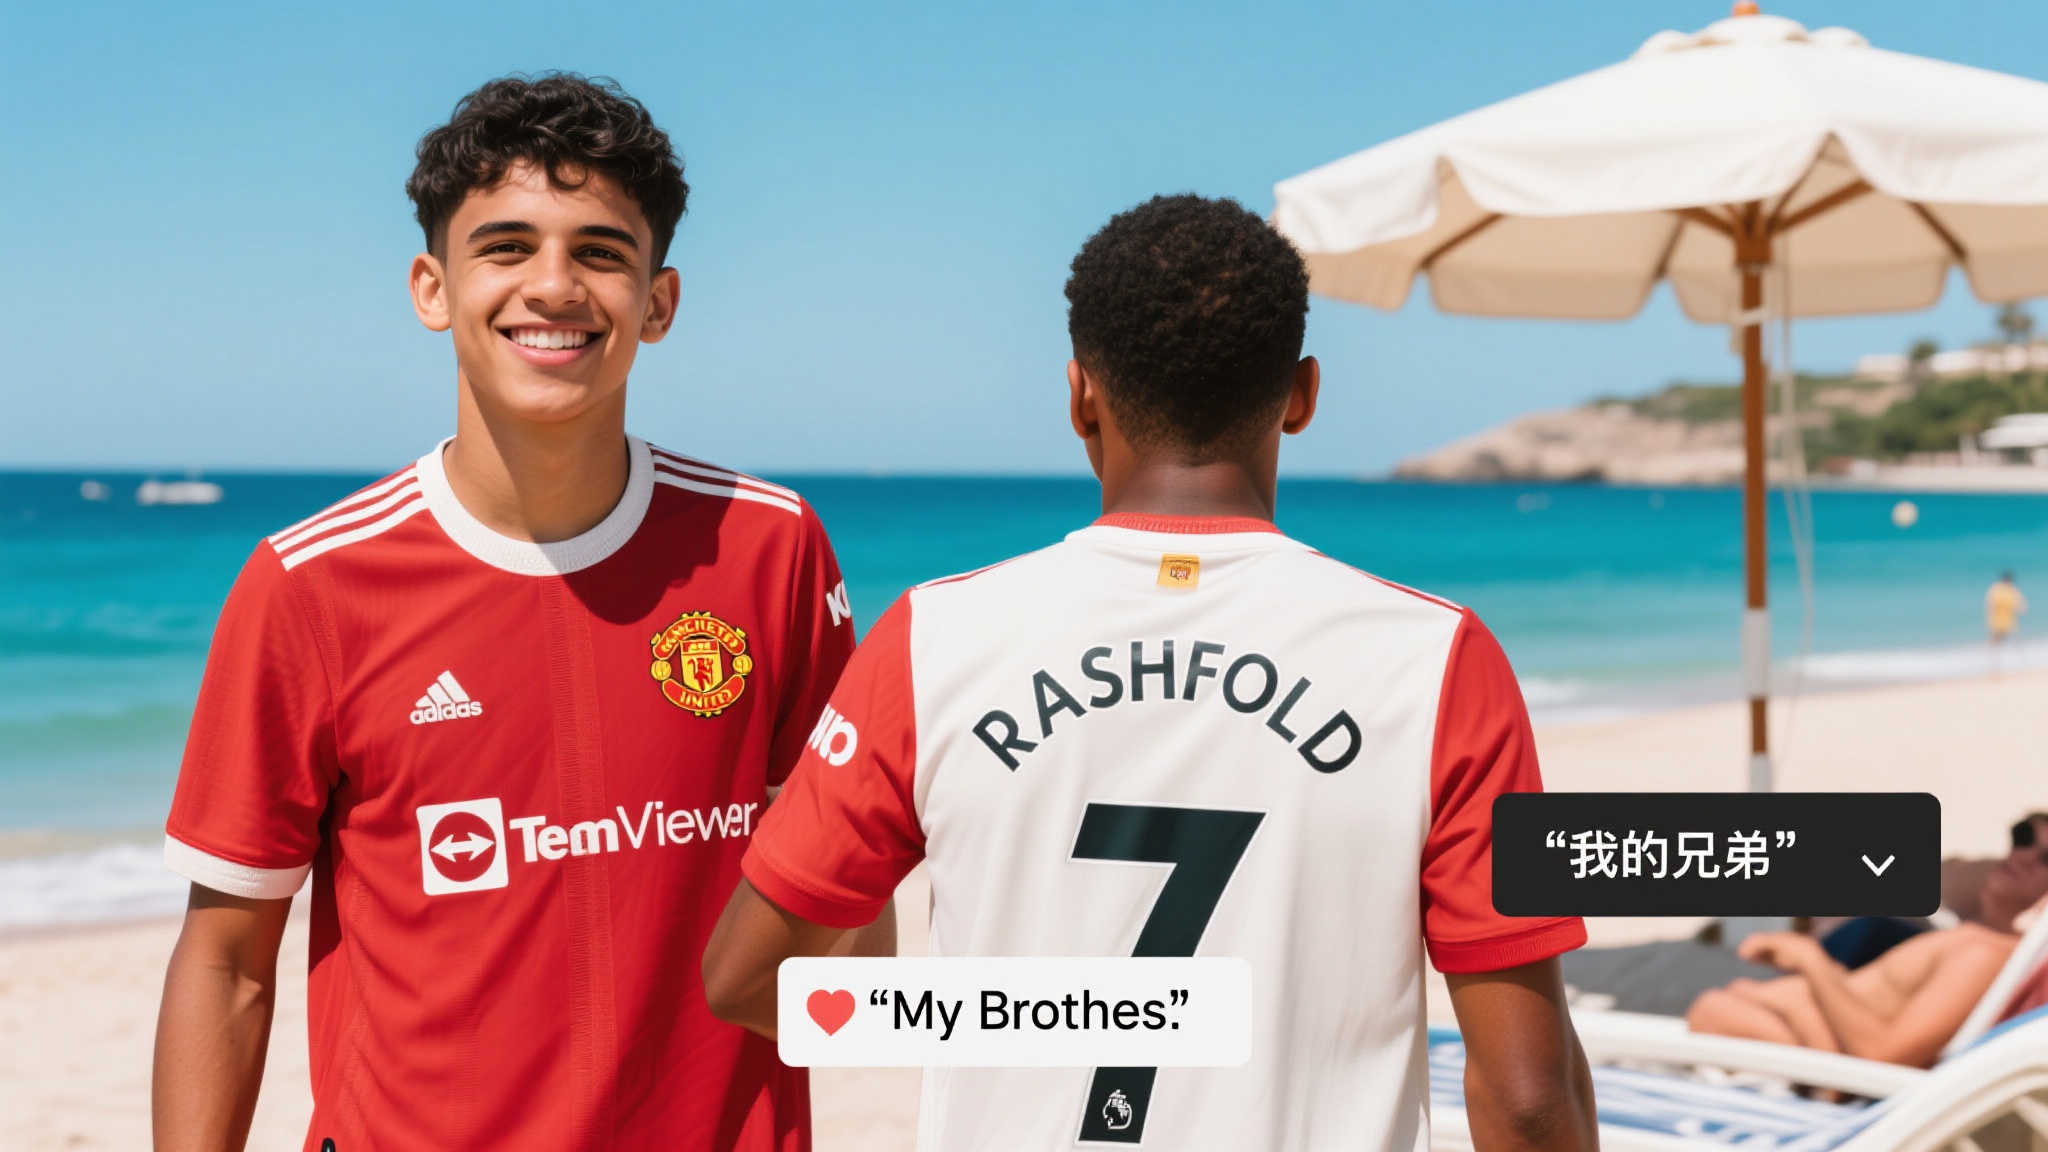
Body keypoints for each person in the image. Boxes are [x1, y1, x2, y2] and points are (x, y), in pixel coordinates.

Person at [700, 195, 1597, 1151]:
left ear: (1080, 394)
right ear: (1302, 395)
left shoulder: (934, 639)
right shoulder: (1437, 659)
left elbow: (748, 979)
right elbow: (1528, 1096)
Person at [152, 74, 870, 1151]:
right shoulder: (310, 585)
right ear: (431, 288)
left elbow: (844, 903)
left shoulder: (770, 546)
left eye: (600, 252)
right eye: (505, 247)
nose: (554, 286)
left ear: (658, 303)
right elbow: (227, 961)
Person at [1686, 813, 2048, 1067]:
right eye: (2023, 837)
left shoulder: (1985, 954)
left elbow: (1884, 1054)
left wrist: (1810, 962)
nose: (2023, 856)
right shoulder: (1974, 937)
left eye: (2046, 858)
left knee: (1712, 1009)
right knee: (1718, 1004)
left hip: (1834, 1073)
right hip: (1804, 1044)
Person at [1988, 571, 2026, 646]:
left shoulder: (2011, 589)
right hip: (1998, 617)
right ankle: (1993, 650)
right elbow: (1991, 603)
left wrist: (2020, 608)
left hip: (2008, 617)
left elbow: (2019, 601)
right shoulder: (1997, 588)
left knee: (2007, 635)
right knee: (1997, 635)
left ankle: (2016, 649)